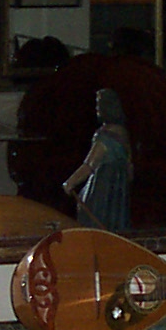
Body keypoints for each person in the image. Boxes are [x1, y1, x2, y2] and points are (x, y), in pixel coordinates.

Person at [62, 88, 132, 233]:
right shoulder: (122, 133)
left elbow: (89, 165)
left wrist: (70, 182)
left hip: (101, 192)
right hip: (117, 194)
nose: (97, 109)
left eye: (99, 104)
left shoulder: (105, 136)